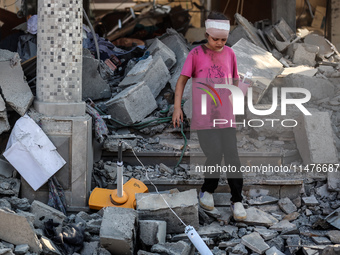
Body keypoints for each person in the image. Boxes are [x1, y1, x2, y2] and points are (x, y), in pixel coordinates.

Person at [172, 11, 247, 220]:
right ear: (206, 34)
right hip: (204, 117)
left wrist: (242, 91)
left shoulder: (230, 53)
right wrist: (177, 108)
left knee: (232, 154)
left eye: (223, 39)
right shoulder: (195, 54)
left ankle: (237, 199)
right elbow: (181, 81)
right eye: (216, 39)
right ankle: (208, 190)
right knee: (214, 153)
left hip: (226, 115)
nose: (220, 43)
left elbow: (234, 82)